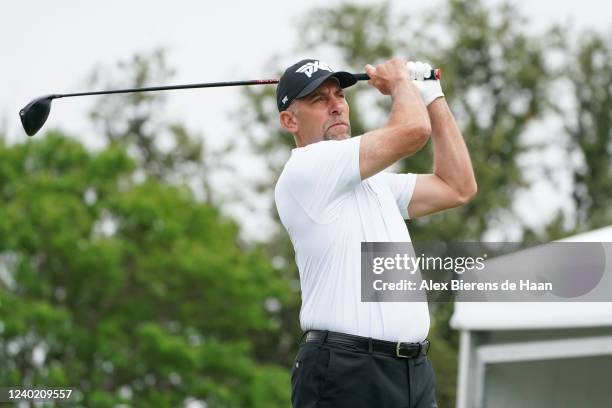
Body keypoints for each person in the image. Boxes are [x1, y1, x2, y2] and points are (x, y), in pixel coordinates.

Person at [274, 57, 477, 408]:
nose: (336, 106)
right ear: (290, 120)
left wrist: (432, 97)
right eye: (318, 100)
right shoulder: (306, 169)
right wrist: (400, 83)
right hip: (345, 370)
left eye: (339, 95)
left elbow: (457, 186)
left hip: (412, 372)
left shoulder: (375, 185)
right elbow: (413, 132)